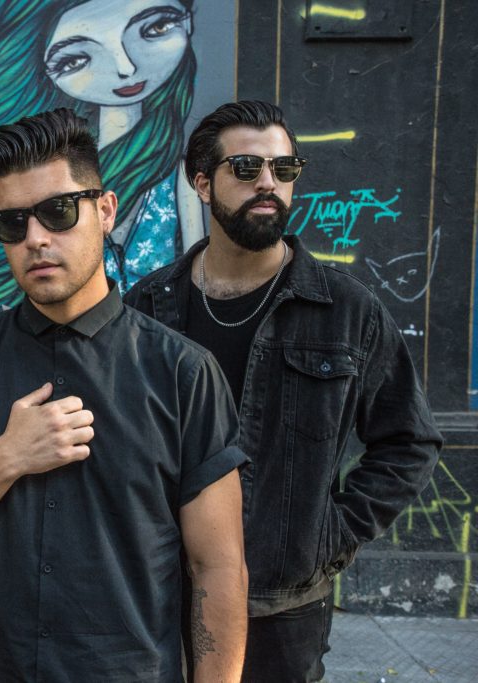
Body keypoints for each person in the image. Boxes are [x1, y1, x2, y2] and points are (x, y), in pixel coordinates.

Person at [0, 108, 248, 682]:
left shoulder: (182, 373)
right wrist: (5, 458)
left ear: (105, 210)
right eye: (13, 223)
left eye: (58, 211)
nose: (35, 239)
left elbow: (218, 569)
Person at [125, 100, 443, 682]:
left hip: (282, 609)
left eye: (283, 168)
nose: (268, 183)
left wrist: (331, 535)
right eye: (246, 168)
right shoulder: (147, 308)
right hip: (158, 597)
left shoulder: (346, 310)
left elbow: (410, 442)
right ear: (202, 183)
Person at [0, 0, 203, 324]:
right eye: (76, 58)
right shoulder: (40, 172)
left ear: (106, 210)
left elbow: (194, 280)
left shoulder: (177, 177)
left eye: (155, 28)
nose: (126, 67)